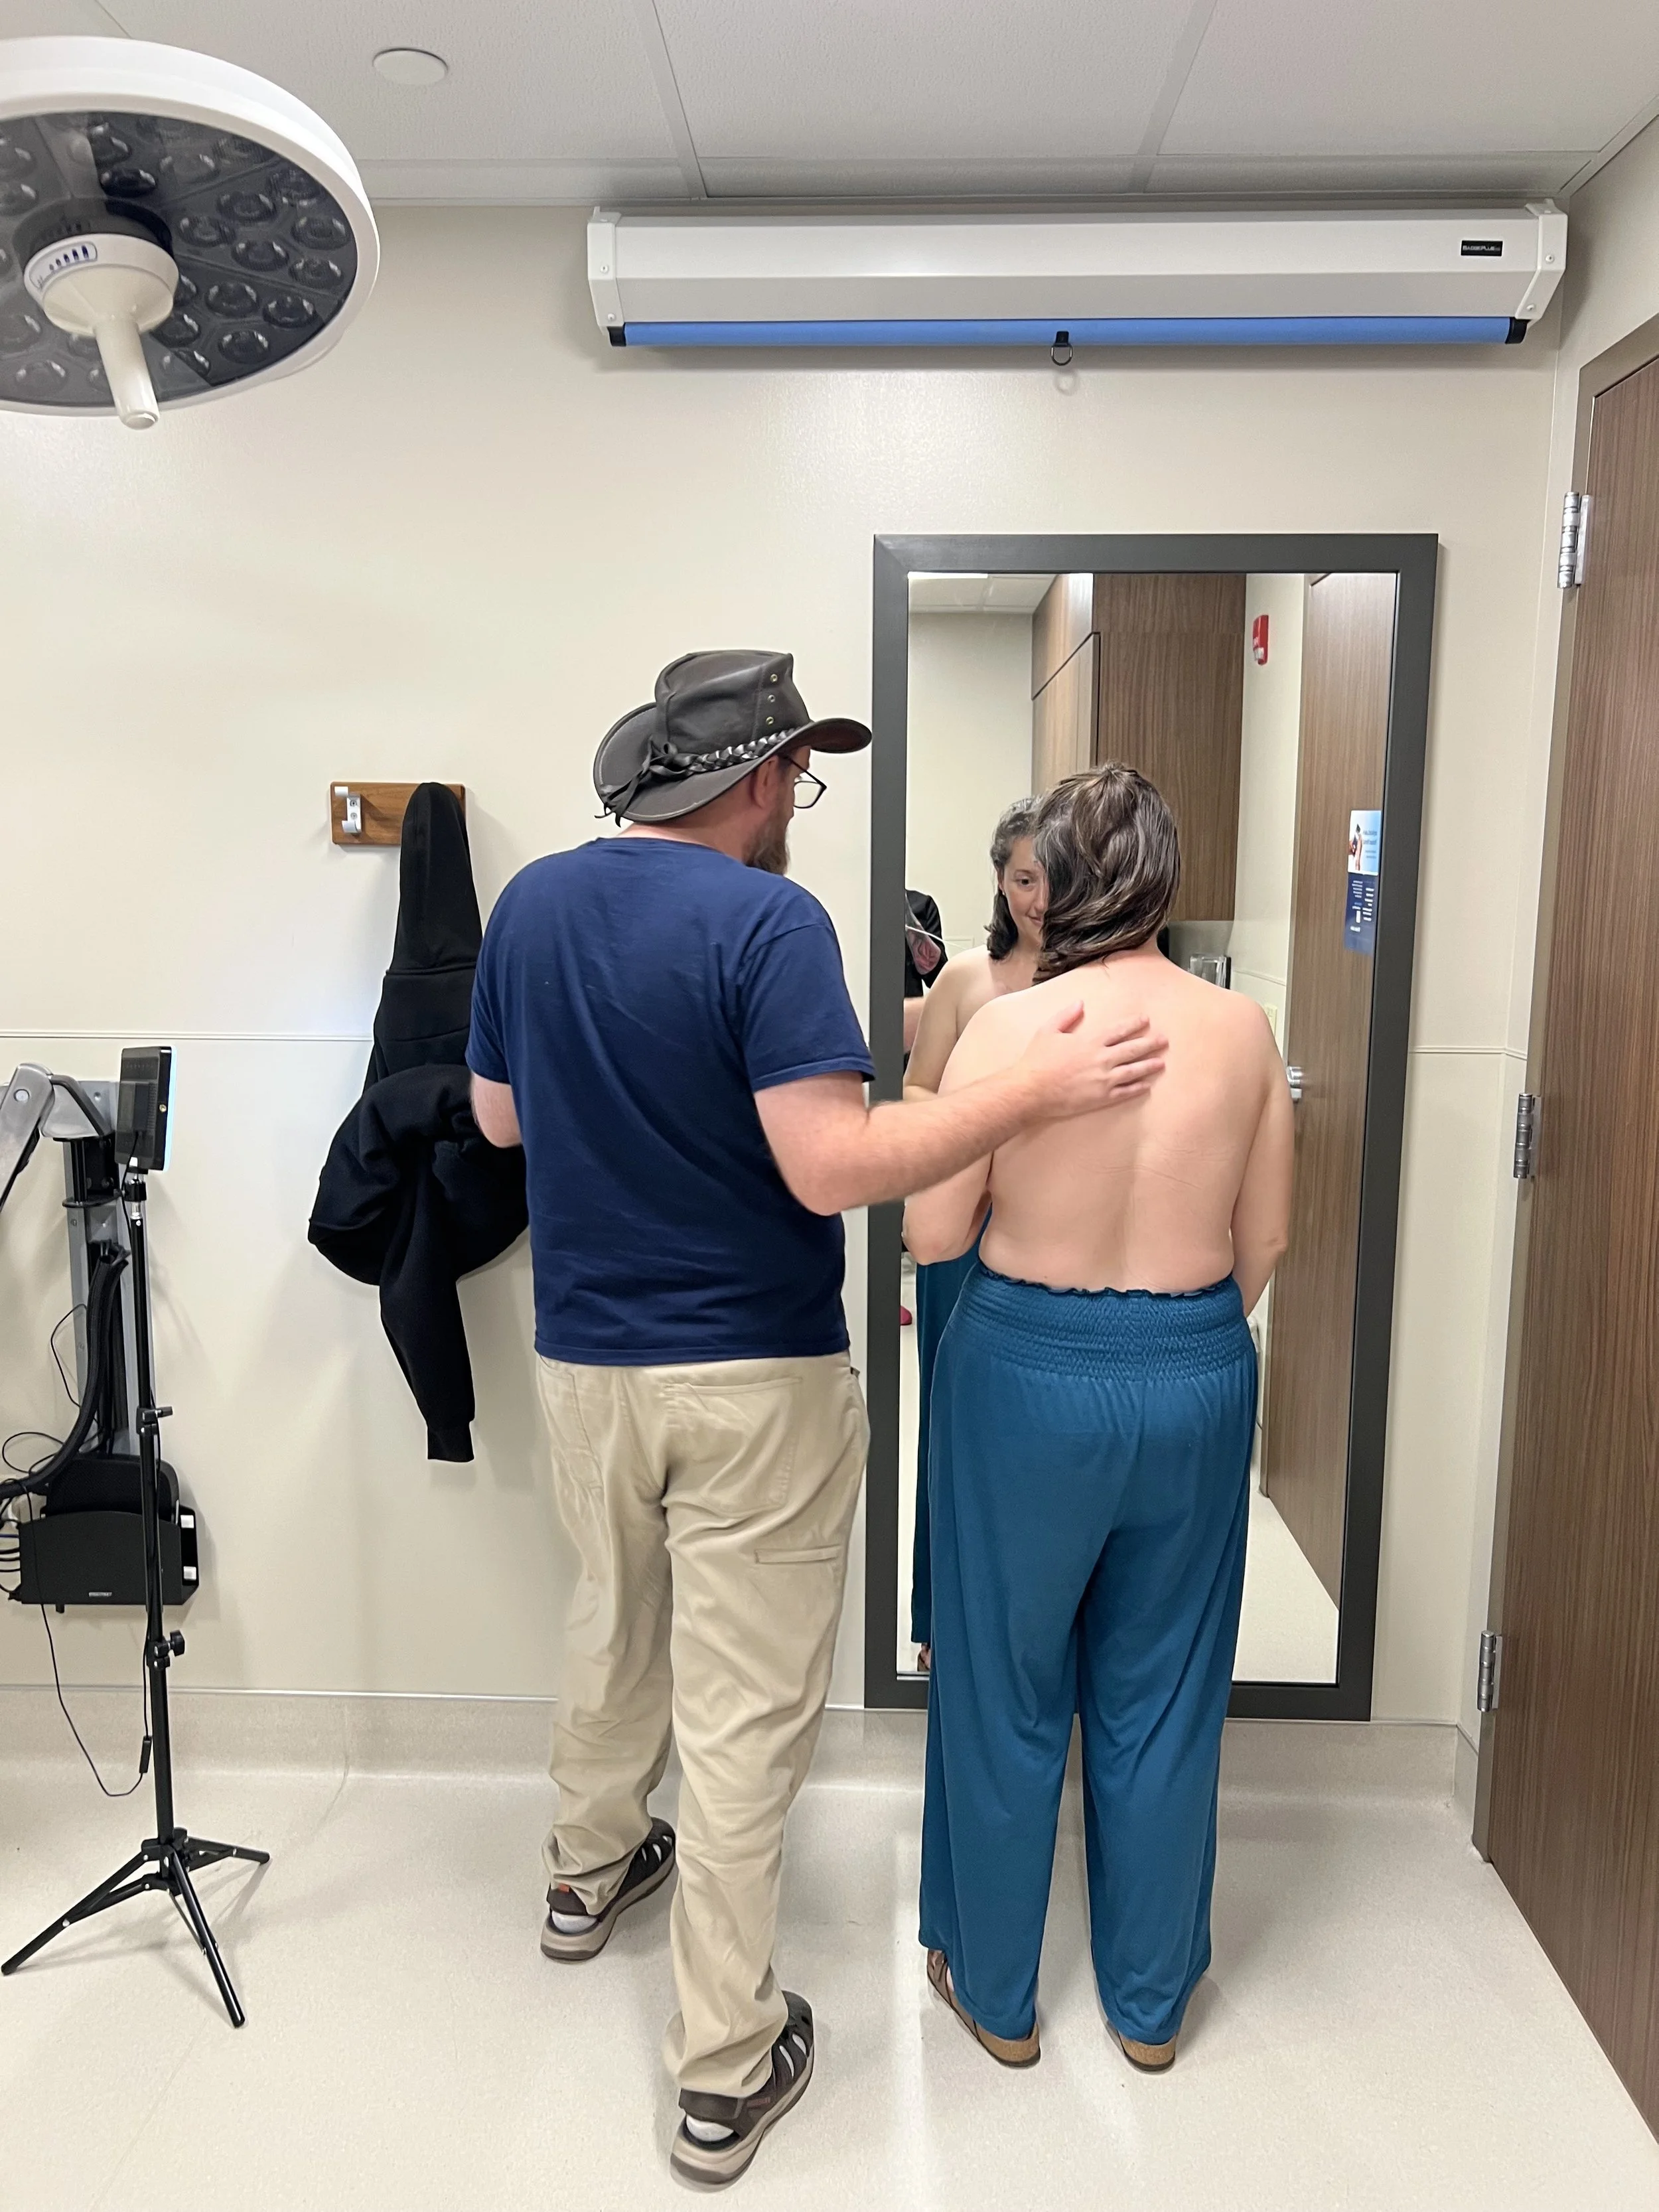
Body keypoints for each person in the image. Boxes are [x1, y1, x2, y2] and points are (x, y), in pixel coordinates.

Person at [466, 651, 1167, 2187]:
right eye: (797, 775)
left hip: (585, 1360)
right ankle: (722, 2067)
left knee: (608, 1619)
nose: (798, 802)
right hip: (752, 1380)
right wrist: (1023, 1097)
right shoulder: (769, 921)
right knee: (739, 1721)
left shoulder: (527, 908)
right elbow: (835, 1168)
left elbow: (497, 1122)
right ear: (752, 778)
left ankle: (584, 1877)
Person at [904, 763, 1293, 2076]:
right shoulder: (1238, 1028)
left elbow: (930, 1230)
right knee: (1163, 1691)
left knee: (1002, 1682)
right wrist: (1170, 1332)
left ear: (1051, 884)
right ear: (1162, 879)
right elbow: (1265, 1241)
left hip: (1022, 1368)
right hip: (1193, 1362)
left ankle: (999, 1998)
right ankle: (1146, 2007)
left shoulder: (1009, 1029)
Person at [901, 796, 1045, 1666]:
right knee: (953, 1430)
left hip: (1057, 1237)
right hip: (964, 1235)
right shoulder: (962, 980)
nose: (1040, 897)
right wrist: (979, 1117)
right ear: (999, 880)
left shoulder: (1098, 981)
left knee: (1040, 1436)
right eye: (1024, 878)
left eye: (1056, 878)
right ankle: (942, 1618)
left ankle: (1032, 1621)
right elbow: (916, 1094)